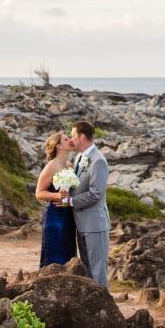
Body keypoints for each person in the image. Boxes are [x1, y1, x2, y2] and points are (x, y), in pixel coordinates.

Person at [64, 119, 111, 287]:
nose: (71, 140)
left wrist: (70, 201)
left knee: (97, 270)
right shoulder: (79, 157)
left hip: (95, 225)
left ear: (82, 137)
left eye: (73, 136)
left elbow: (95, 194)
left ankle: (105, 308)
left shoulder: (98, 161)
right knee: (87, 269)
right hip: (82, 224)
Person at [34, 131, 78, 268]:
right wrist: (57, 196)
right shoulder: (51, 166)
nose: (70, 140)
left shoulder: (70, 165)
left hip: (69, 216)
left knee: (68, 250)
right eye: (66, 139)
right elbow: (39, 193)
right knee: (55, 252)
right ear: (58, 146)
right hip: (55, 216)